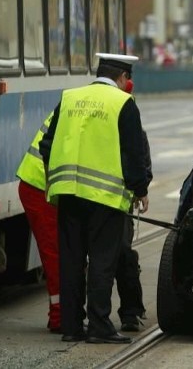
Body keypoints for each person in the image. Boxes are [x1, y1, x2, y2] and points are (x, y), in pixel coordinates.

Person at [40, 53, 150, 344]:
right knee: (103, 262)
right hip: (104, 197)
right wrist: (140, 189)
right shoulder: (123, 104)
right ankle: (100, 327)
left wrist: (57, 177)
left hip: (68, 193)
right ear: (123, 79)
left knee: (72, 261)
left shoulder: (70, 97)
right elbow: (133, 153)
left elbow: (46, 144)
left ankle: (72, 326)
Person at [16, 112, 61, 333]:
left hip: (47, 186)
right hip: (39, 186)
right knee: (56, 253)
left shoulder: (78, 103)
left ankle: (65, 313)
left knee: (60, 252)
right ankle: (59, 316)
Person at [115, 79, 151, 332]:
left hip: (87, 199)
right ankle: (129, 313)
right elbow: (140, 159)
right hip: (116, 202)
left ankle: (79, 319)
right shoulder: (127, 109)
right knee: (122, 257)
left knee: (92, 260)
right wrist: (141, 190)